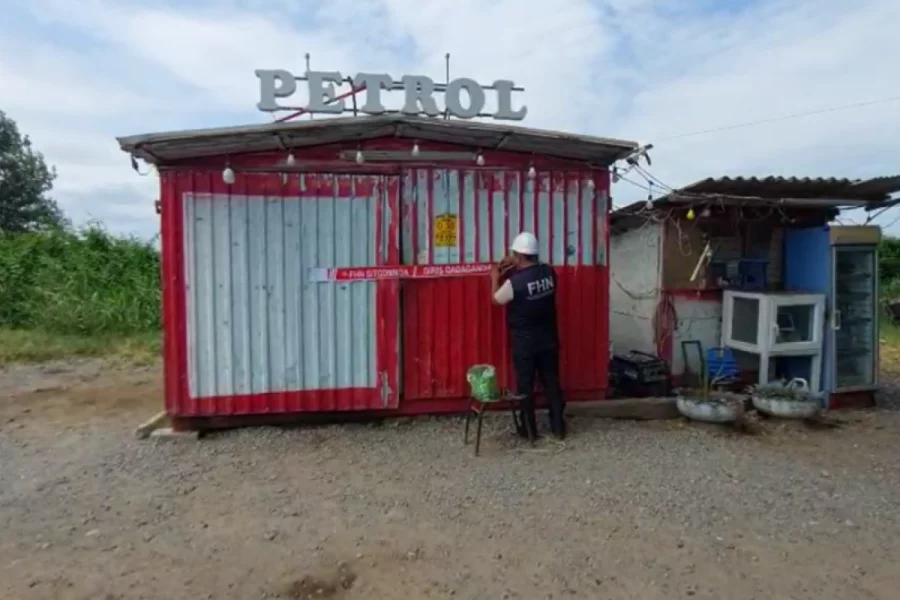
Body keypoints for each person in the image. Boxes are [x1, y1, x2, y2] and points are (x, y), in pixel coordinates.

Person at [490, 232, 566, 440]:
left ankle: (529, 431)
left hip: (525, 343)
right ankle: (558, 428)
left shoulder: (514, 283)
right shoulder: (549, 272)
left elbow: (496, 300)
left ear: (519, 256)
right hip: (549, 339)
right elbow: (534, 273)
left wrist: (495, 277)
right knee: (551, 383)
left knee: (526, 386)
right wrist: (516, 263)